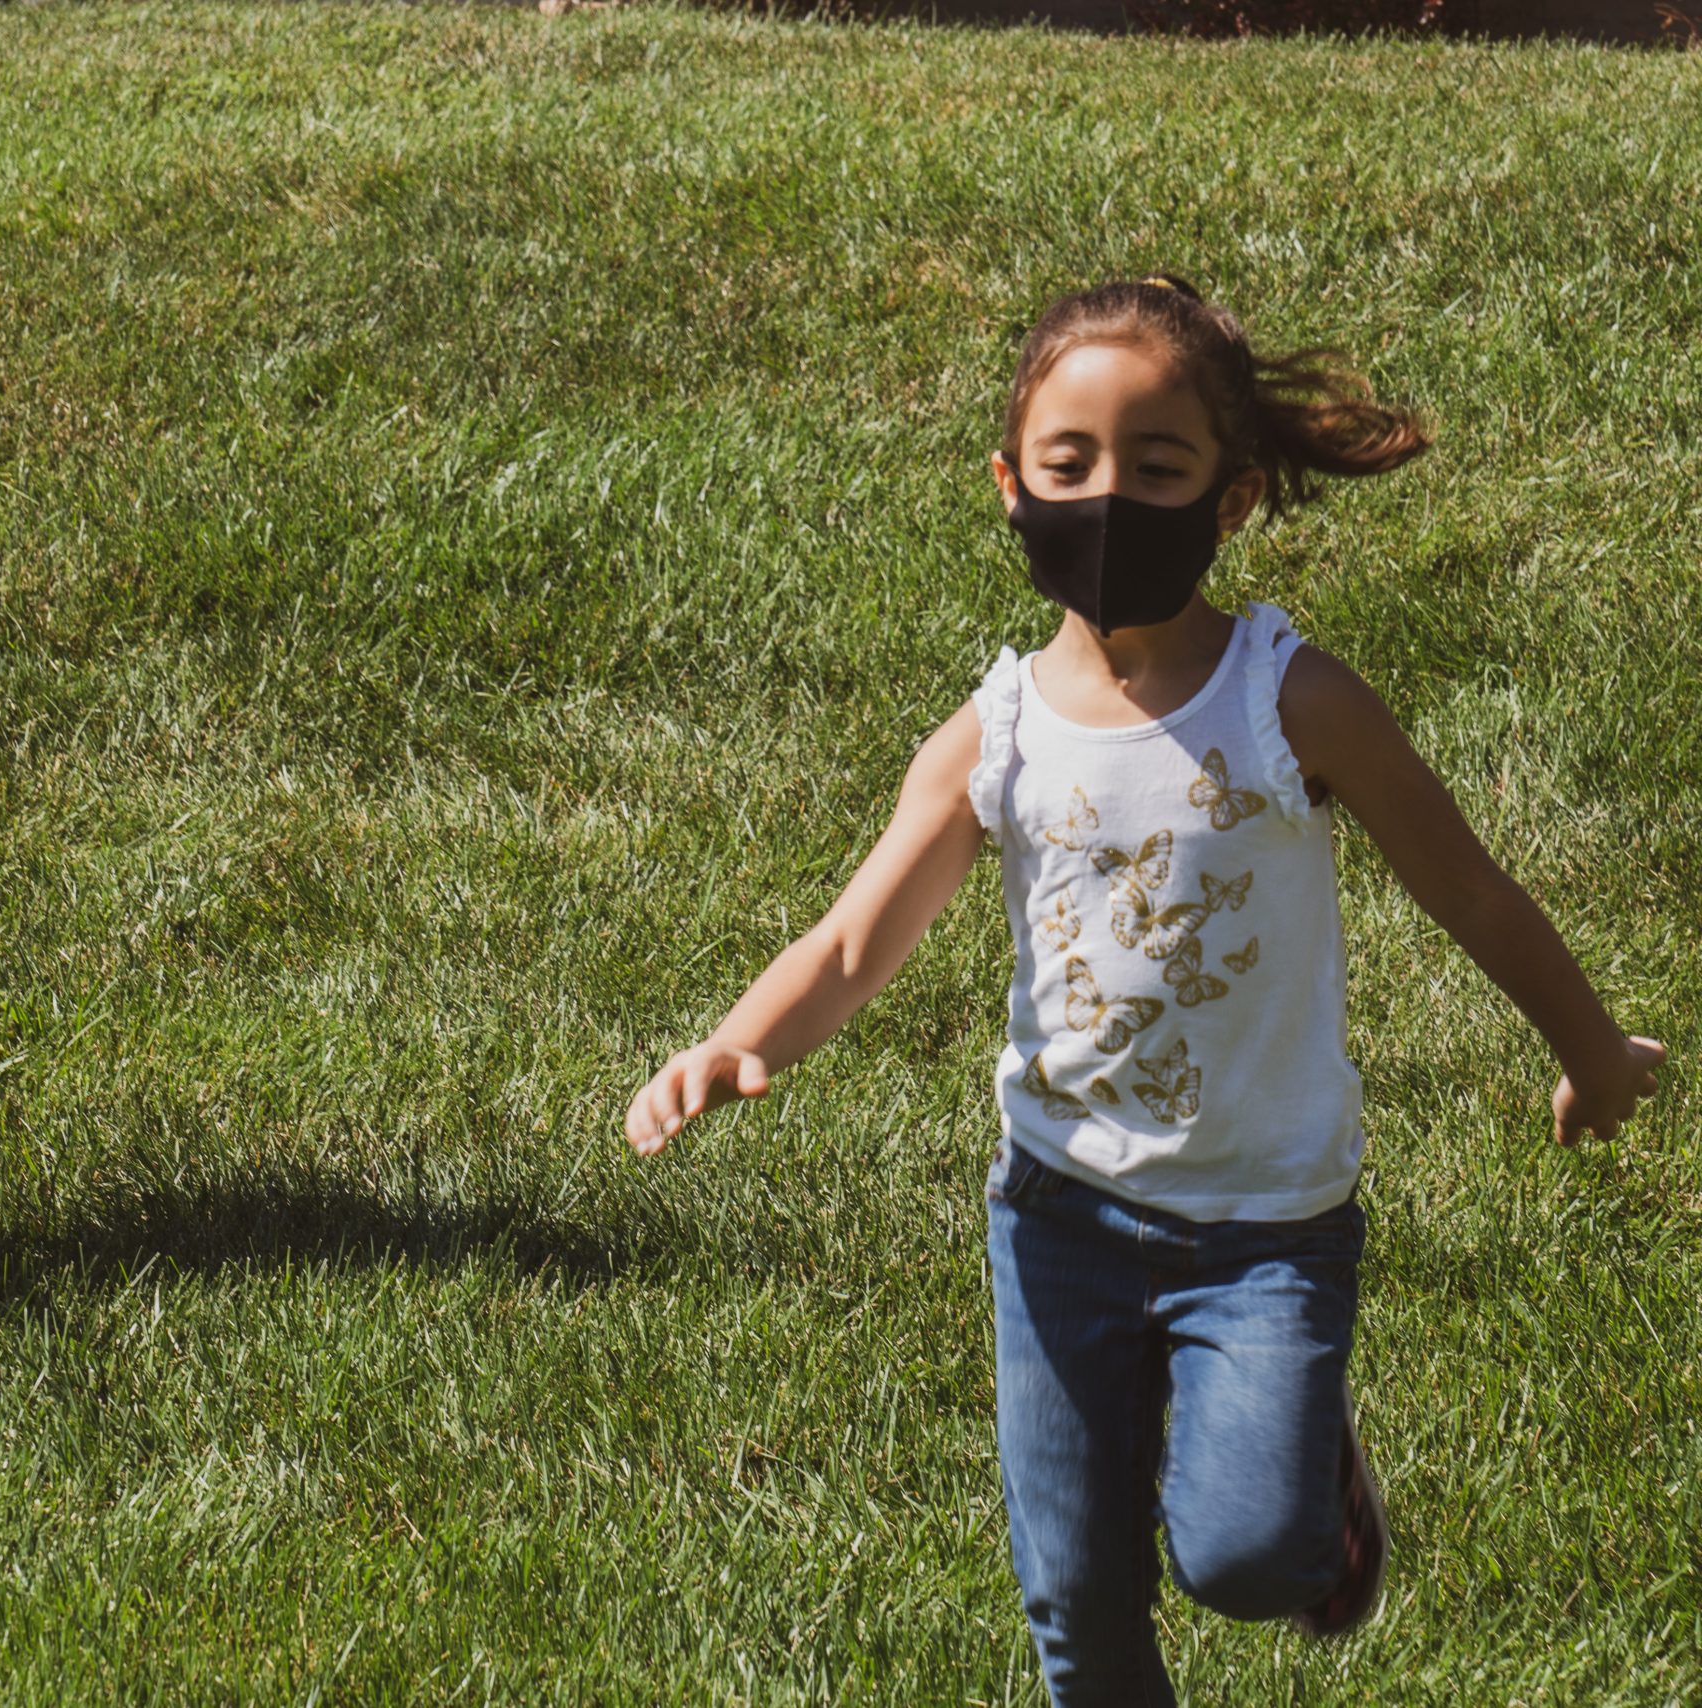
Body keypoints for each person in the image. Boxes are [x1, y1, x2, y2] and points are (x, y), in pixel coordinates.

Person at [621, 275, 1666, 1702]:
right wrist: (737, 1043)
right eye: (1070, 465)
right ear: (1010, 485)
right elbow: (856, 939)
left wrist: (1592, 1048)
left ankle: (1318, 1504)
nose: (1109, 496)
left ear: (1230, 501)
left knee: (1243, 1554)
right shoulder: (996, 734)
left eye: (1156, 466)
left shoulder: (1289, 702)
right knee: (1075, 1607)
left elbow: (1467, 886)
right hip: (1056, 1220)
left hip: (1265, 1230)